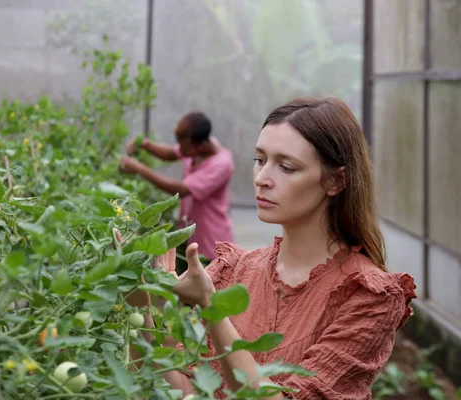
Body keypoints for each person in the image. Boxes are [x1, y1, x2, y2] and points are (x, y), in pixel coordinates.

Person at [129, 97, 416, 399]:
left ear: (335, 181)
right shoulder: (231, 270)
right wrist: (139, 301)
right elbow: (184, 389)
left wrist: (211, 308)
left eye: (286, 167)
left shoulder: (369, 296)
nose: (262, 179)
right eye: (260, 160)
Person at [119, 111, 235, 265]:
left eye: (182, 144)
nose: (179, 148)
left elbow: (181, 190)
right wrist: (145, 144)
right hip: (192, 236)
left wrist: (139, 168)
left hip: (212, 245)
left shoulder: (221, 165)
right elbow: (171, 153)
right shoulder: (199, 146)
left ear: (198, 146)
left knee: (209, 287)